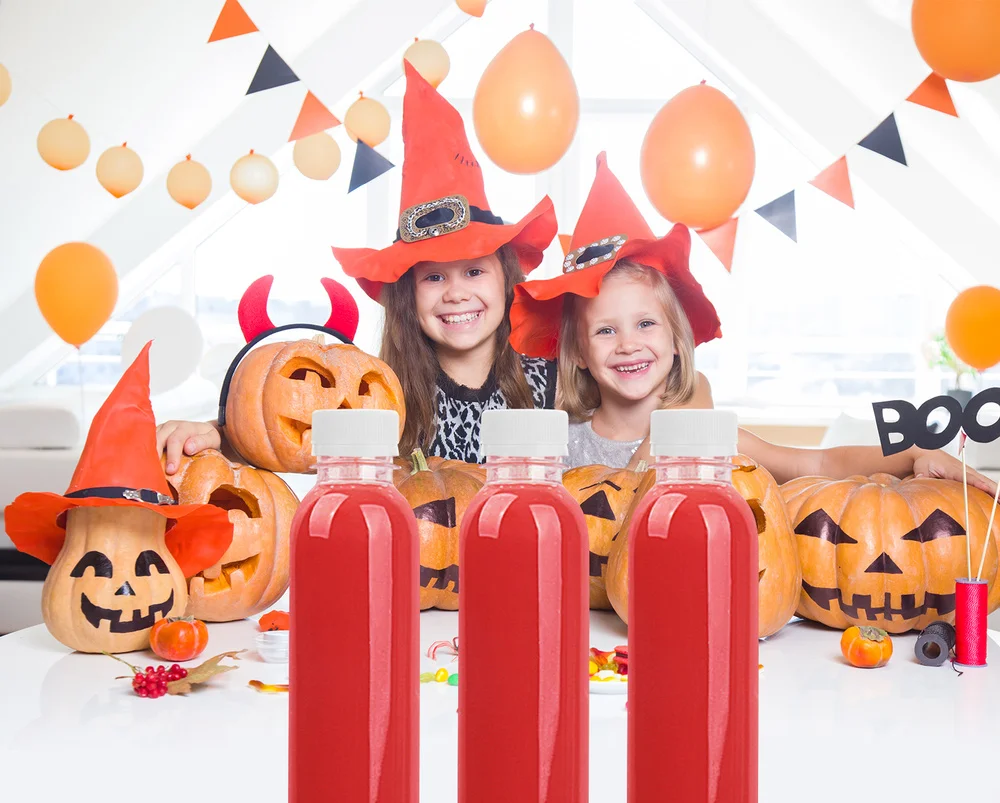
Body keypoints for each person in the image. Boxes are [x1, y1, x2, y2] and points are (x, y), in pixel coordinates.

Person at [510, 153, 997, 493]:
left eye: (645, 324)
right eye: (605, 330)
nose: (627, 344)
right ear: (577, 352)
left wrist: (912, 455)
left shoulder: (710, 435)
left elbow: (817, 461)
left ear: (677, 339)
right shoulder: (557, 446)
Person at [157, 61, 558, 470]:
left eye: (474, 271)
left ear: (507, 278)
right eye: (434, 276)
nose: (456, 293)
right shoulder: (374, 392)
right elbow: (283, 426)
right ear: (407, 294)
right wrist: (219, 436)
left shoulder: (554, 386)